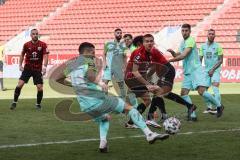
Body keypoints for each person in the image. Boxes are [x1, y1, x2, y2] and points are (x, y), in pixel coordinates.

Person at [53, 42, 169, 153]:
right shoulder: (89, 60)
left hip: (85, 105)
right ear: (88, 52)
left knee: (104, 118)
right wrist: (100, 83)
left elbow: (58, 78)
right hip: (97, 100)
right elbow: (90, 75)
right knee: (130, 108)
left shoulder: (73, 63)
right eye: (93, 52)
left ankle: (103, 143)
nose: (94, 55)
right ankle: (149, 134)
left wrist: (74, 85)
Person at [124, 34, 197, 128]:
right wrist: (148, 83)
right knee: (159, 92)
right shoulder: (140, 53)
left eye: (151, 41)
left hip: (163, 71)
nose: (149, 43)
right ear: (142, 43)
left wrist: (149, 80)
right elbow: (137, 71)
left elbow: (153, 66)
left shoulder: (149, 52)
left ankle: (131, 122)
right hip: (134, 78)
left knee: (149, 99)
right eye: (147, 41)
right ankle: (154, 117)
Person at [168, 24, 224, 118]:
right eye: (183, 30)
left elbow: (183, 55)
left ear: (190, 32)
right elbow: (178, 54)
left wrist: (169, 60)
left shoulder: (190, 40)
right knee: (184, 93)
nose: (184, 32)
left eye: (186, 31)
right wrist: (173, 53)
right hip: (188, 72)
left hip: (195, 71)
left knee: (201, 91)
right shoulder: (183, 42)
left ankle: (219, 105)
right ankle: (193, 115)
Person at [10, 29, 49, 110]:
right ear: (31, 35)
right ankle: (14, 102)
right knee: (19, 84)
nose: (35, 35)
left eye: (36, 34)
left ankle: (38, 104)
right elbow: (22, 54)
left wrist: (44, 67)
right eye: (33, 34)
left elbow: (45, 56)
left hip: (37, 69)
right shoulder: (26, 45)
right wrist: (20, 65)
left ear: (38, 35)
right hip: (27, 68)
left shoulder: (43, 45)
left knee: (40, 87)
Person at [199, 29, 223, 114]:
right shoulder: (202, 46)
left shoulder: (218, 46)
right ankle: (209, 107)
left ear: (215, 36)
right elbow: (200, 59)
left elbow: (220, 60)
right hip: (206, 70)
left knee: (215, 88)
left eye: (213, 34)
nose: (211, 35)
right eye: (210, 34)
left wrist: (213, 69)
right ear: (207, 35)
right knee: (202, 90)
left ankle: (218, 108)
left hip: (215, 70)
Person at [103, 28, 127, 98]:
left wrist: (125, 67)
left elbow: (125, 57)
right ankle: (105, 98)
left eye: (120, 33)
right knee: (105, 82)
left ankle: (123, 98)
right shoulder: (107, 43)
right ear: (114, 34)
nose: (119, 34)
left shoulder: (124, 45)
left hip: (118, 66)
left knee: (121, 83)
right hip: (109, 66)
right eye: (118, 33)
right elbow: (104, 54)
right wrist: (104, 63)